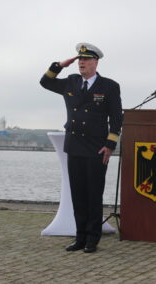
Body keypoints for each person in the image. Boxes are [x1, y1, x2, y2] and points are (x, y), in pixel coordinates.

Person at [40, 43, 122, 253]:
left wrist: (110, 145)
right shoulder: (71, 82)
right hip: (74, 146)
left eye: (85, 60)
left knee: (93, 194)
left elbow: (116, 119)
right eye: (79, 60)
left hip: (96, 148)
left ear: (95, 62)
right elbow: (45, 82)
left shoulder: (109, 86)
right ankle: (80, 237)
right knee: (78, 194)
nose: (81, 63)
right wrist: (59, 65)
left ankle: (93, 239)